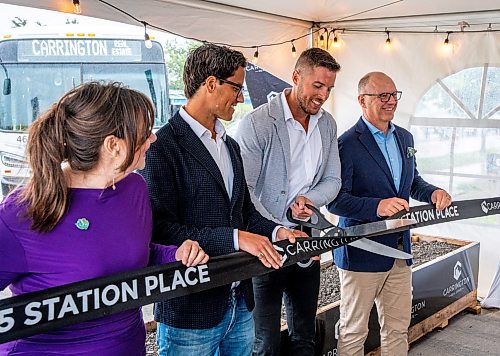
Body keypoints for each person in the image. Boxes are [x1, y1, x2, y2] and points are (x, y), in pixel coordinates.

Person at [0, 82, 208, 356]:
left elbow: (134, 254)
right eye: (145, 133)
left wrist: (176, 254)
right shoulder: (21, 211)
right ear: (114, 146)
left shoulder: (134, 188)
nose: (153, 139)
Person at [139, 44, 302, 356]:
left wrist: (277, 231)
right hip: (190, 309)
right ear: (210, 84)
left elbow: (244, 211)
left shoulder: (230, 145)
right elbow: (160, 229)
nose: (241, 98)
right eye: (237, 88)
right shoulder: (162, 148)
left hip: (239, 300)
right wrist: (236, 238)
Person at [328, 72, 452, 356]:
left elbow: (412, 183)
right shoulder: (346, 144)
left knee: (397, 328)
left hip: (400, 250)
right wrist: (376, 206)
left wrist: (432, 192)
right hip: (361, 254)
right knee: (354, 330)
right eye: (383, 96)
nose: (391, 101)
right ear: (362, 100)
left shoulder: (404, 137)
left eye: (394, 95)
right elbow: (335, 202)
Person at [234, 47, 342, 356]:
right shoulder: (258, 123)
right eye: (317, 86)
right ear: (296, 78)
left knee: (305, 334)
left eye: (329, 88)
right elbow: (246, 190)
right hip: (266, 244)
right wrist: (276, 229)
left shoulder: (327, 124)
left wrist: (309, 199)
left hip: (307, 240)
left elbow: (333, 181)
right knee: (264, 342)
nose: (323, 95)